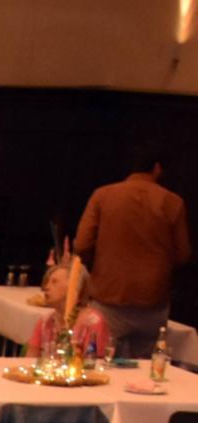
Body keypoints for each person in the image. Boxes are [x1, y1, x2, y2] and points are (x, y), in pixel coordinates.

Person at [74, 141, 192, 359]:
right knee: (145, 371)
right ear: (157, 168)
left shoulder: (103, 195)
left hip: (109, 297)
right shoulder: (173, 202)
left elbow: (81, 244)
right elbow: (183, 253)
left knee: (98, 363)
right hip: (153, 299)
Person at [29, 255, 114, 361]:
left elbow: (98, 364)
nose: (46, 287)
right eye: (47, 282)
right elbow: (29, 361)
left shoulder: (94, 322)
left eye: (54, 282)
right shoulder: (45, 322)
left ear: (74, 288)